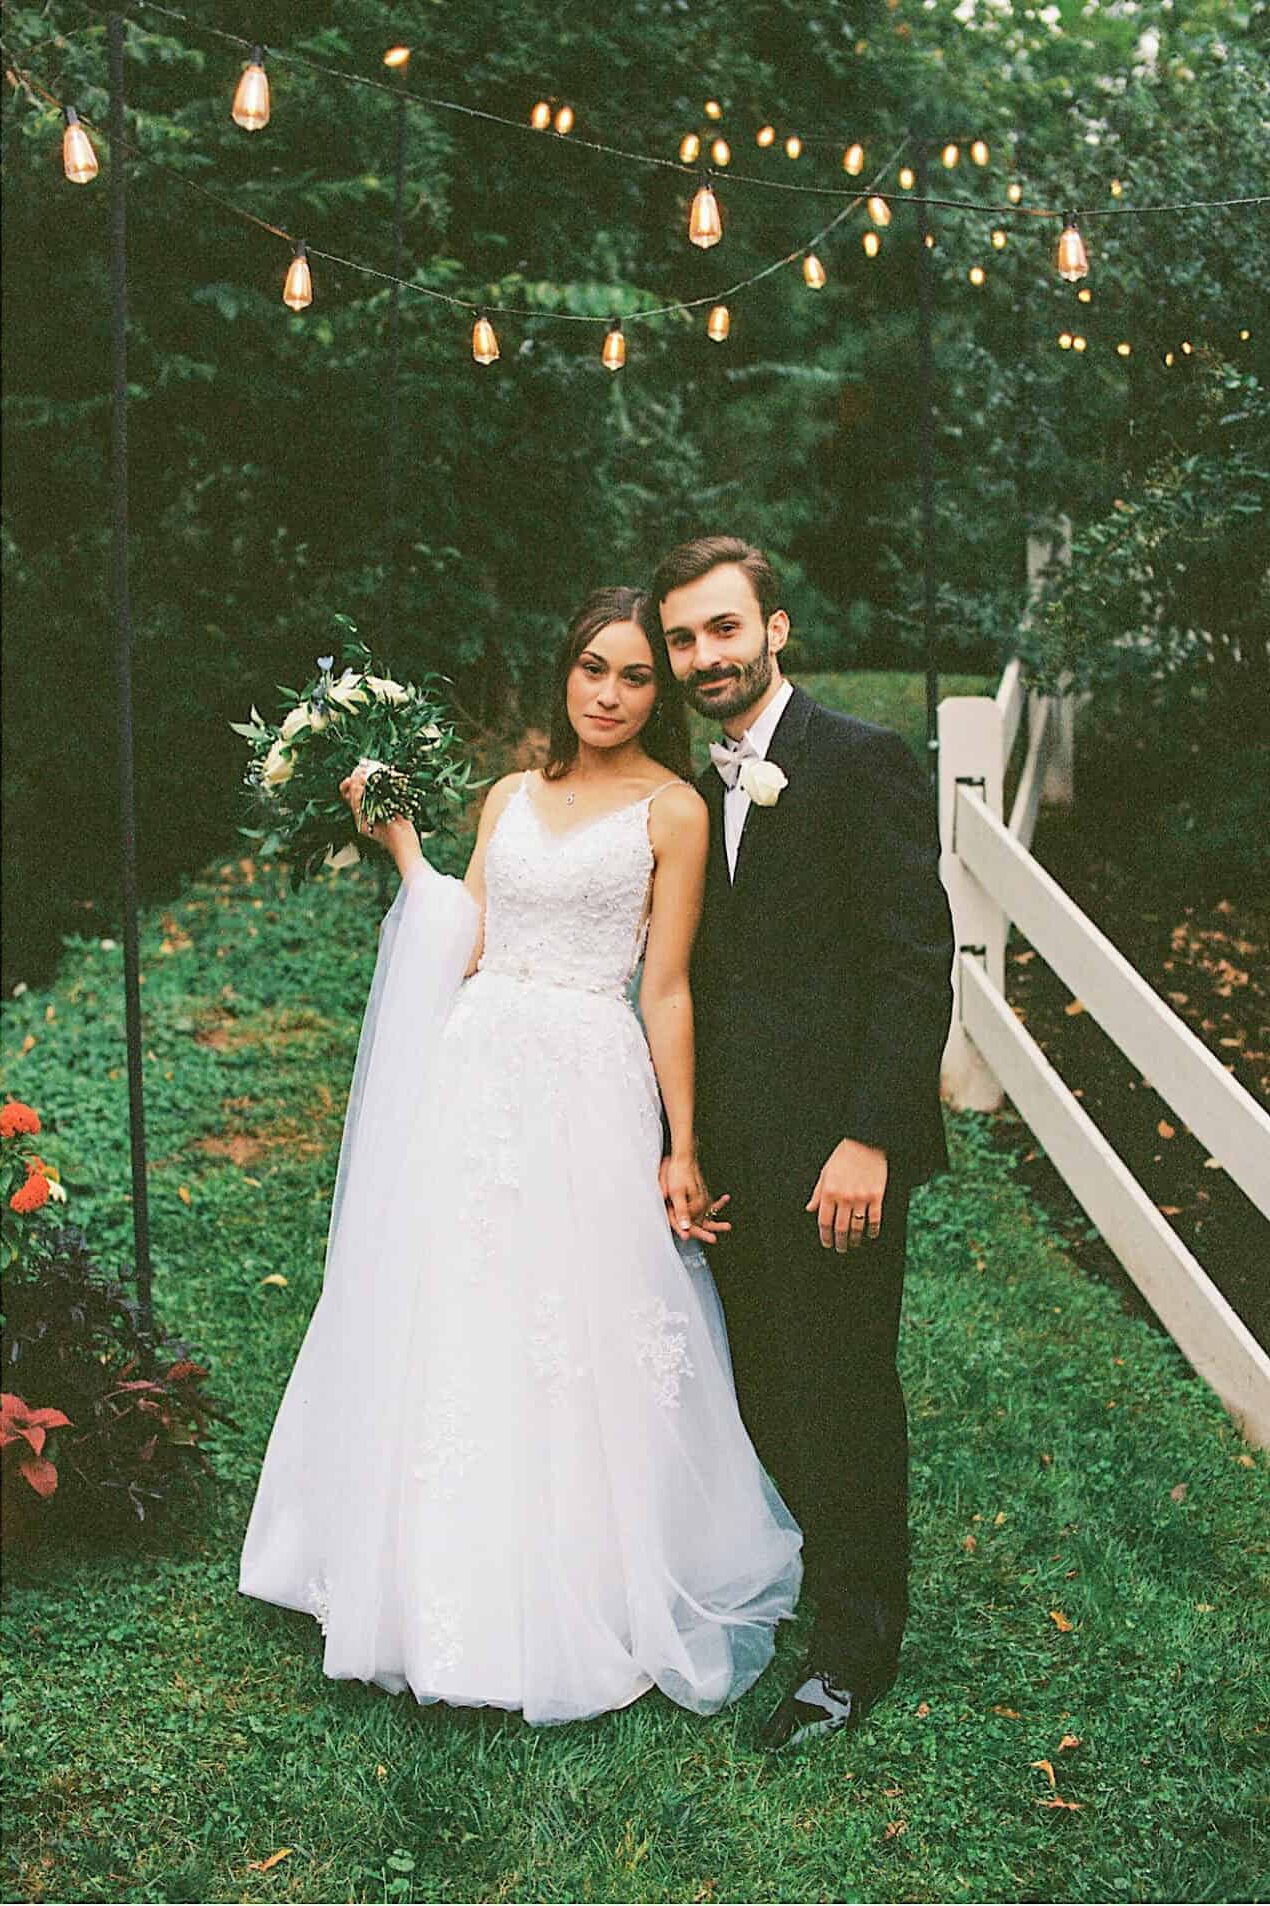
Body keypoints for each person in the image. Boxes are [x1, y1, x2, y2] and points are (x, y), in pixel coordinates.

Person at [238, 586, 802, 1726]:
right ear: (564, 672)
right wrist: (401, 844)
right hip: (480, 1064)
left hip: (590, 1074)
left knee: (574, 1319)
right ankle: (421, 1569)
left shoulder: (673, 810)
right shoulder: (510, 795)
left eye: (636, 676)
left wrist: (681, 1143)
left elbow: (667, 983)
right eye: (592, 668)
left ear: (658, 693)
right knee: (459, 1304)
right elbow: (470, 935)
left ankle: (581, 1572)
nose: (608, 693)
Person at [647, 536, 955, 1752]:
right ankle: (782, 1578)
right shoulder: (687, 780)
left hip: (837, 1155)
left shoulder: (862, 762)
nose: (703, 656)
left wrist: (870, 1137)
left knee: (843, 1391)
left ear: (776, 628)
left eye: (724, 628)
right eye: (682, 638)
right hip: (727, 1147)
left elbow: (912, 964)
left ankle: (851, 1649)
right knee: (761, 1381)